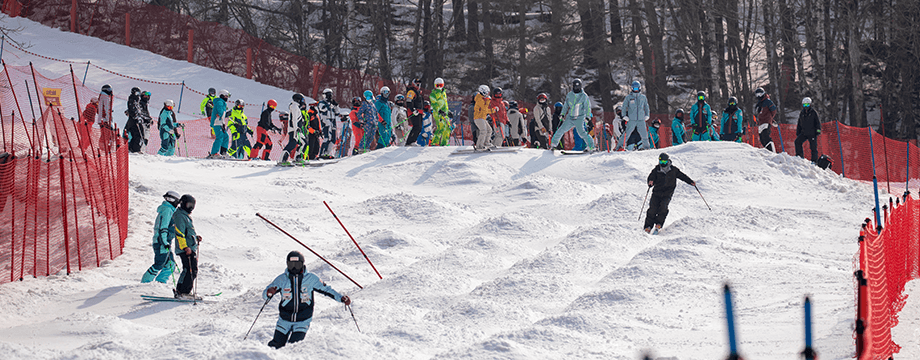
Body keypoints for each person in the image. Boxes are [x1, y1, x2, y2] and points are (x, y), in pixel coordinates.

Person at [263, 251, 351, 349]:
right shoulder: (281, 279)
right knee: (275, 346)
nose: (294, 268)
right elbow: (266, 294)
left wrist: (341, 298)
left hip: (303, 320)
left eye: (297, 265)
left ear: (303, 264)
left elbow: (327, 290)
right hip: (284, 319)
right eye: (291, 265)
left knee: (293, 348)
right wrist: (268, 293)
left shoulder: (311, 279)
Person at [644, 153, 696, 234]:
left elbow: (682, 176)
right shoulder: (656, 169)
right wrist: (650, 182)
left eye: (664, 162)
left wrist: (690, 181)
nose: (663, 163)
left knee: (663, 207)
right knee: (652, 209)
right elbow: (651, 177)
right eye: (661, 162)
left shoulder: (673, 170)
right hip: (657, 192)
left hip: (667, 193)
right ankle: (648, 226)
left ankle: (658, 224)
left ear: (668, 161)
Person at [141, 191, 180, 283]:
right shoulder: (167, 210)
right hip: (161, 242)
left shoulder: (169, 210)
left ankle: (160, 283)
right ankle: (145, 283)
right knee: (159, 263)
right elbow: (163, 227)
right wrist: (164, 242)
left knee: (170, 265)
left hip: (165, 242)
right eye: (178, 202)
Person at [550, 79, 595, 151]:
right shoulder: (570, 95)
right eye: (575, 87)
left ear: (580, 87)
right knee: (561, 130)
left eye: (578, 87)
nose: (576, 88)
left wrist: (588, 117)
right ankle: (554, 145)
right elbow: (565, 106)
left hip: (579, 117)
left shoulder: (584, 96)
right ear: (573, 87)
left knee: (582, 133)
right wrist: (562, 114)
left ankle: (591, 146)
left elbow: (588, 108)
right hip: (570, 118)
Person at [171, 194, 201, 299]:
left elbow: (187, 232)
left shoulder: (184, 215)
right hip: (186, 248)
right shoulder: (180, 216)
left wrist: (195, 238)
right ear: (183, 204)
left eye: (192, 205)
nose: (191, 207)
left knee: (190, 269)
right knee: (190, 269)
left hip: (189, 247)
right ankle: (183, 292)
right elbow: (180, 233)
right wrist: (185, 247)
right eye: (189, 204)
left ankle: (181, 291)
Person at [619, 80, 650, 150]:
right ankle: (620, 146)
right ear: (632, 89)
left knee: (644, 135)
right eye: (634, 89)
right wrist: (624, 116)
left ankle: (647, 147)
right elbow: (624, 107)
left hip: (641, 119)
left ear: (639, 88)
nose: (635, 90)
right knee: (627, 134)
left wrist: (647, 115)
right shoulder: (628, 97)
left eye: (637, 88)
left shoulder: (643, 97)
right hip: (631, 119)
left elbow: (646, 106)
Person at [279, 93, 307, 165]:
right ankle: (283, 160)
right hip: (294, 129)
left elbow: (296, 118)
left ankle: (297, 158)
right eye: (302, 100)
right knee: (293, 144)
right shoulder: (294, 106)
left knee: (301, 143)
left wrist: (301, 122)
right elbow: (294, 119)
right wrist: (296, 127)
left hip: (295, 129)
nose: (303, 101)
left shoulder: (296, 107)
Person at [795, 97, 821, 161]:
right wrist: (798, 131)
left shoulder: (813, 113)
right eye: (804, 105)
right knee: (797, 142)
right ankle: (799, 156)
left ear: (810, 105)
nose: (806, 106)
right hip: (804, 132)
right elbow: (799, 123)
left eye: (807, 105)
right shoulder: (802, 113)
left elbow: (817, 123)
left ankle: (814, 161)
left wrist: (818, 131)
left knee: (813, 147)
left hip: (812, 133)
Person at [754, 87, 778, 152]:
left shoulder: (767, 101)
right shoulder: (759, 103)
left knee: (766, 136)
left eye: (760, 94)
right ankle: (767, 151)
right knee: (762, 138)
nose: (759, 96)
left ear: (763, 93)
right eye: (757, 94)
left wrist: (770, 119)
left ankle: (772, 151)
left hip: (766, 122)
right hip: (760, 122)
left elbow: (774, 110)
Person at [208, 90, 231, 158]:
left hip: (220, 123)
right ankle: (214, 153)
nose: (227, 98)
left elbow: (221, 115)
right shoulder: (220, 102)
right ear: (222, 96)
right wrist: (227, 114)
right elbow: (221, 113)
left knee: (226, 136)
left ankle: (223, 152)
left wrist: (223, 123)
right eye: (226, 96)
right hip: (216, 122)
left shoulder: (222, 102)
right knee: (220, 137)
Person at [430, 78, 452, 146]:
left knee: (447, 128)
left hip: (444, 113)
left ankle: (444, 143)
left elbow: (445, 104)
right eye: (437, 85)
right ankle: (434, 143)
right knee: (441, 128)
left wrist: (448, 112)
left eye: (441, 85)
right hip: (438, 113)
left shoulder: (444, 93)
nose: (439, 87)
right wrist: (439, 110)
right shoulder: (433, 94)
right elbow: (434, 104)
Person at [318, 89, 339, 158]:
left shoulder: (332, 103)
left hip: (333, 121)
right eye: (328, 95)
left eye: (330, 95)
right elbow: (323, 109)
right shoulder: (321, 103)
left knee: (333, 139)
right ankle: (322, 153)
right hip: (326, 121)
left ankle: (327, 152)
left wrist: (336, 106)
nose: (329, 97)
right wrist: (329, 105)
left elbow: (337, 113)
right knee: (327, 138)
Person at [472, 85, 493, 150]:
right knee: (483, 131)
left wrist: (493, 110)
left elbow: (485, 110)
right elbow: (484, 109)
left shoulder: (482, 99)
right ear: (483, 92)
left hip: (482, 118)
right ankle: (479, 146)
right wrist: (488, 101)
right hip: (479, 118)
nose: (488, 94)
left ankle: (486, 142)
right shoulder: (479, 99)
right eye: (487, 92)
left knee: (489, 130)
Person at [404, 79, 424, 145]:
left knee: (419, 127)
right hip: (414, 112)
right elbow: (409, 101)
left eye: (419, 83)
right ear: (413, 83)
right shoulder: (411, 91)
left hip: (419, 112)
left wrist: (422, 111)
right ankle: (410, 142)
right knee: (416, 126)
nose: (418, 85)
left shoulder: (418, 92)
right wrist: (413, 110)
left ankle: (412, 141)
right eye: (417, 83)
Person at [126, 87, 144, 152]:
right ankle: (135, 149)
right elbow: (133, 109)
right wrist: (136, 117)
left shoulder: (135, 99)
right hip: (134, 121)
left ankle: (134, 148)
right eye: (138, 93)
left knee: (138, 134)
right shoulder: (133, 99)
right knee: (137, 134)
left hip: (135, 120)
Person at [98, 84, 115, 151]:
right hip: (105, 119)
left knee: (104, 134)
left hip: (102, 118)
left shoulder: (102, 96)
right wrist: (108, 120)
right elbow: (106, 108)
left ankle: (103, 147)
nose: (110, 91)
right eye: (109, 90)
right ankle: (105, 148)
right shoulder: (105, 97)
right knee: (107, 134)